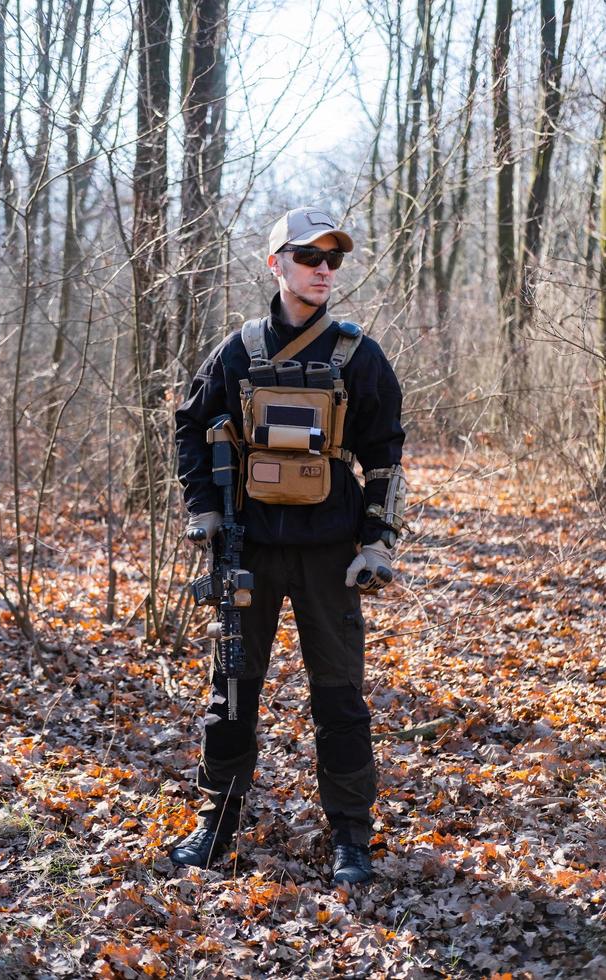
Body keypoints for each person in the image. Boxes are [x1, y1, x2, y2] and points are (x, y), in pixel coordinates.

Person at [172, 206, 406, 885]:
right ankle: (215, 825)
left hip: (331, 555)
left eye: (333, 259)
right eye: (309, 258)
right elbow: (191, 429)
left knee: (339, 698)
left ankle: (351, 840)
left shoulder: (358, 356)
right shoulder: (237, 352)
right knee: (233, 691)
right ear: (276, 265)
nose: (324, 269)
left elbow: (386, 456)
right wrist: (205, 510)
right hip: (248, 551)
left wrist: (378, 544)